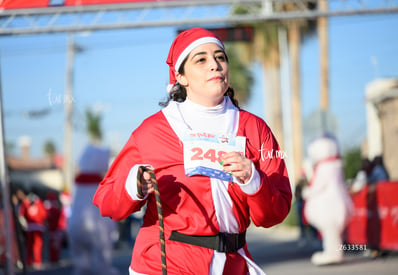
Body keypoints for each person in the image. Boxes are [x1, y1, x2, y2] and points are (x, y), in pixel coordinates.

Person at [93, 27, 292, 275]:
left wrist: (253, 179)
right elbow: (106, 201)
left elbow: (276, 212)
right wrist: (134, 186)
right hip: (166, 264)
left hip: (233, 263)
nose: (215, 65)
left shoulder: (255, 128)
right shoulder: (152, 131)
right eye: (201, 59)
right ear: (181, 77)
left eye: (220, 57)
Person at [67, 142, 120, 275]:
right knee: (102, 258)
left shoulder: (77, 182)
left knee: (81, 262)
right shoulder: (100, 183)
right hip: (97, 227)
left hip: (76, 225)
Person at [302, 134, 354, 266]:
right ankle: (335, 252)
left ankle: (333, 254)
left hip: (330, 207)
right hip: (337, 204)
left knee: (331, 232)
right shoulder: (336, 165)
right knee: (333, 233)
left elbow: (318, 185)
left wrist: (307, 192)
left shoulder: (325, 167)